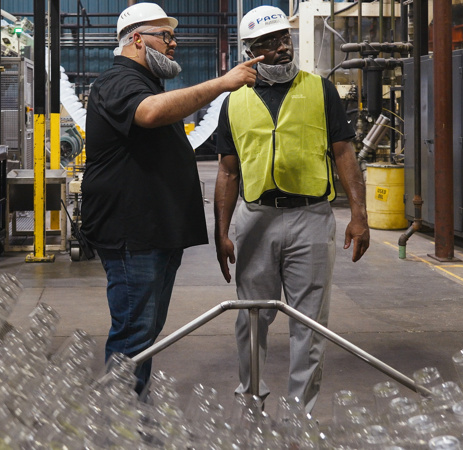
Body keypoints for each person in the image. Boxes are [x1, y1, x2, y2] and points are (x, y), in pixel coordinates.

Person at [81, 2, 262, 394]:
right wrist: (220, 83)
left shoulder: (145, 82)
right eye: (165, 36)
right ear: (135, 40)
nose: (173, 44)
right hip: (133, 236)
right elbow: (148, 114)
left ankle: (128, 410)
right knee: (134, 336)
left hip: (155, 234)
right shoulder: (118, 81)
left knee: (145, 334)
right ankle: (119, 421)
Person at [213, 5, 370, 412]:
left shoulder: (320, 90)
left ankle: (300, 412)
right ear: (250, 50)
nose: (281, 49)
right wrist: (222, 231)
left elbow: (344, 153)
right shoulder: (233, 102)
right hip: (255, 218)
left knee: (311, 324)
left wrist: (359, 215)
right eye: (267, 43)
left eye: (284, 39)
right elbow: (228, 172)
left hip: (311, 218)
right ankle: (251, 401)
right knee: (251, 318)